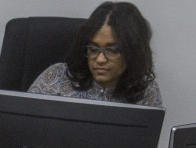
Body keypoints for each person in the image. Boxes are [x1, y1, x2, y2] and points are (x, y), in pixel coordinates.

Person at [27, 2, 163, 107]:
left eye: (112, 50)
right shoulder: (56, 77)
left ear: (132, 52)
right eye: (93, 49)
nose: (100, 59)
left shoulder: (145, 90)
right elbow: (22, 126)